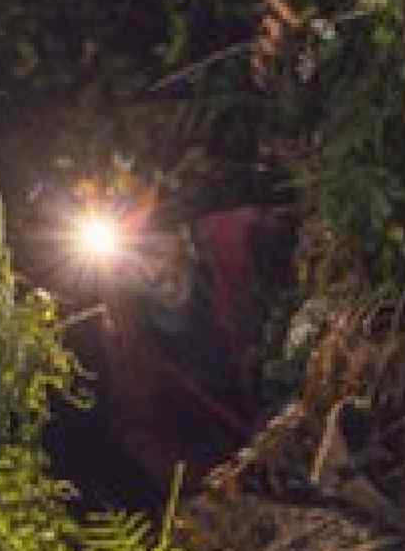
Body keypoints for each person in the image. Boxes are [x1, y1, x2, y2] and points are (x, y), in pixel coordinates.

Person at [93, 202, 290, 497]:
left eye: (152, 251)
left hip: (305, 392)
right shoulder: (132, 336)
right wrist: (210, 483)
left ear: (181, 235)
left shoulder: (239, 244)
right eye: (124, 269)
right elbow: (144, 429)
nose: (149, 274)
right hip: (253, 457)